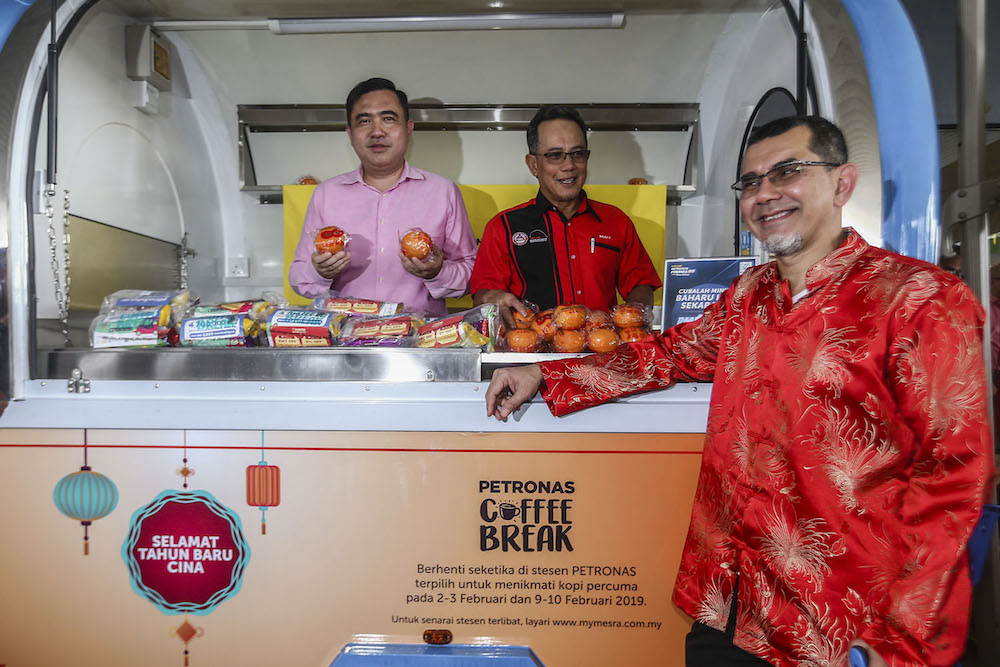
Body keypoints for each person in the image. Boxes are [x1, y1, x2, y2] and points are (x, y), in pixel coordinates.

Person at [485, 116, 993, 667]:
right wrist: (545, 373)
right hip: (728, 600)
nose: (765, 194)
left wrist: (897, 642)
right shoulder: (750, 295)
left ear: (842, 184)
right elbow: (671, 352)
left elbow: (952, 480)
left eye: (788, 172)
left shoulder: (919, 299)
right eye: (750, 182)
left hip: (838, 624)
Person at [288, 77, 477, 318]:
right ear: (350, 133)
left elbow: (471, 275)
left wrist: (437, 272)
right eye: (364, 121)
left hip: (419, 341)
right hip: (345, 338)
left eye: (388, 119)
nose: (377, 131)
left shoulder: (442, 192)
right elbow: (298, 278)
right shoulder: (326, 194)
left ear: (408, 128)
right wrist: (319, 271)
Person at [469, 105, 662, 327]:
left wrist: (634, 316)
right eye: (555, 155)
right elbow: (481, 296)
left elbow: (641, 284)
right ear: (533, 164)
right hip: (529, 355)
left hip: (601, 354)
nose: (569, 166)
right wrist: (490, 299)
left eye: (577, 154)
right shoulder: (503, 227)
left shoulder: (616, 222)